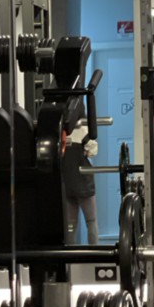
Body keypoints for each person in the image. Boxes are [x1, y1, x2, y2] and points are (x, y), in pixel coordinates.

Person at [62, 101, 100, 245]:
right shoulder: (83, 129)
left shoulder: (60, 131)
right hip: (84, 183)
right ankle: (95, 254)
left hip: (67, 183)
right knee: (91, 221)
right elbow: (92, 151)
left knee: (70, 225)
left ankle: (69, 255)